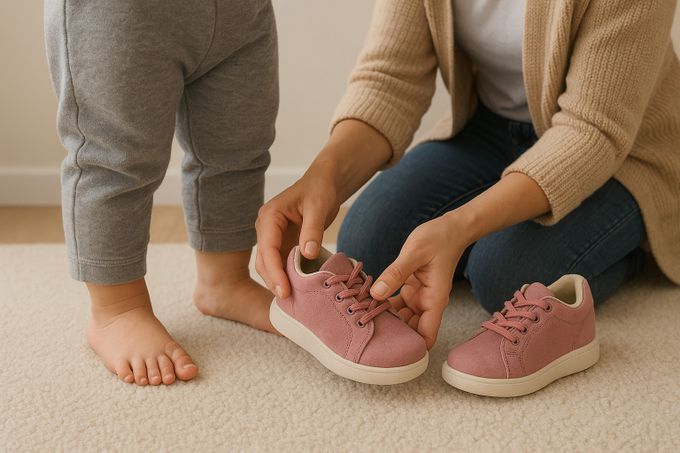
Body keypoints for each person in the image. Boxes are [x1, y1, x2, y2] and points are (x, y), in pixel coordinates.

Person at [256, 0, 680, 350]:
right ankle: (467, 249)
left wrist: (459, 227)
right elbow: (390, 79)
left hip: (625, 150)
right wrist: (324, 176)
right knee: (368, 242)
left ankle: (642, 241)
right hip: (490, 129)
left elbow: (592, 131)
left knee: (504, 277)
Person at [45, 0, 279, 385]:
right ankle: (116, 309)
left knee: (238, 149)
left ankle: (225, 279)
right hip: (121, 11)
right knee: (114, 159)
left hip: (241, 12)